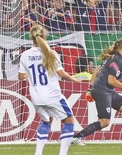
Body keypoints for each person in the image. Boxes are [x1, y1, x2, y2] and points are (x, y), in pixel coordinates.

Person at [18, 25, 82, 155]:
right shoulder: (51, 53)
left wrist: (31, 72)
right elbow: (62, 74)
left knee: (47, 121)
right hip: (52, 95)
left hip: (36, 97)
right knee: (69, 121)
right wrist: (76, 80)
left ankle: (38, 153)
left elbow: (21, 77)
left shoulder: (24, 55)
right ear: (44, 36)